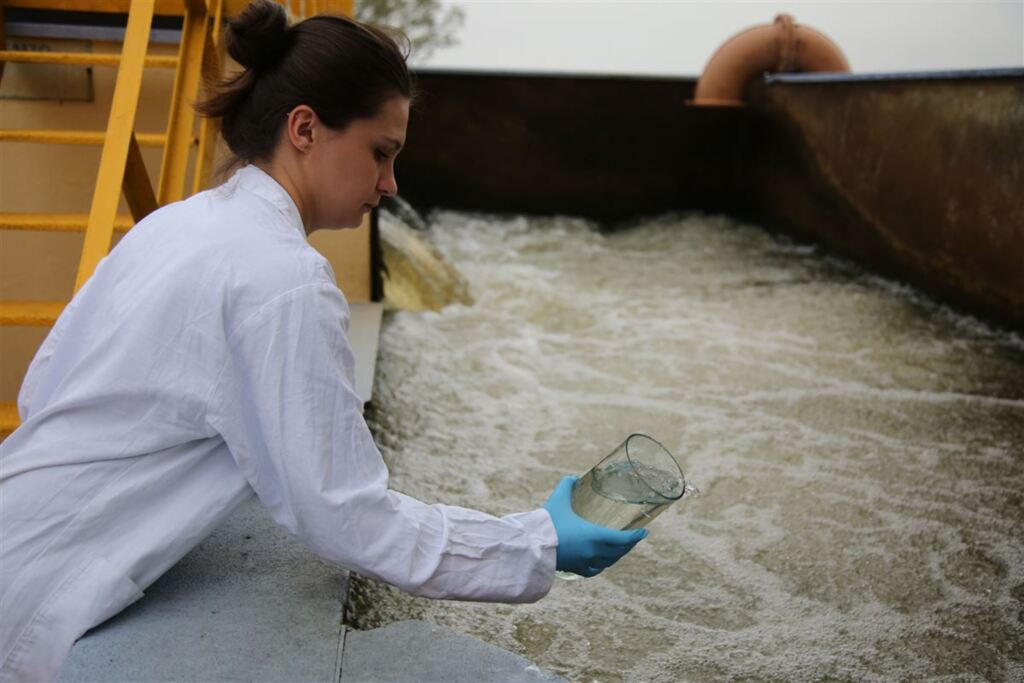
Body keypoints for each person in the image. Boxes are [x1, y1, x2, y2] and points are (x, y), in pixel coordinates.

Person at [0, 2, 646, 679]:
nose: (391, 184)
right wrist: (536, 542)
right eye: (381, 152)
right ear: (305, 127)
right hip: (37, 601)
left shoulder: (178, 224)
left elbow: (42, 385)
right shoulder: (286, 281)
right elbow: (347, 517)